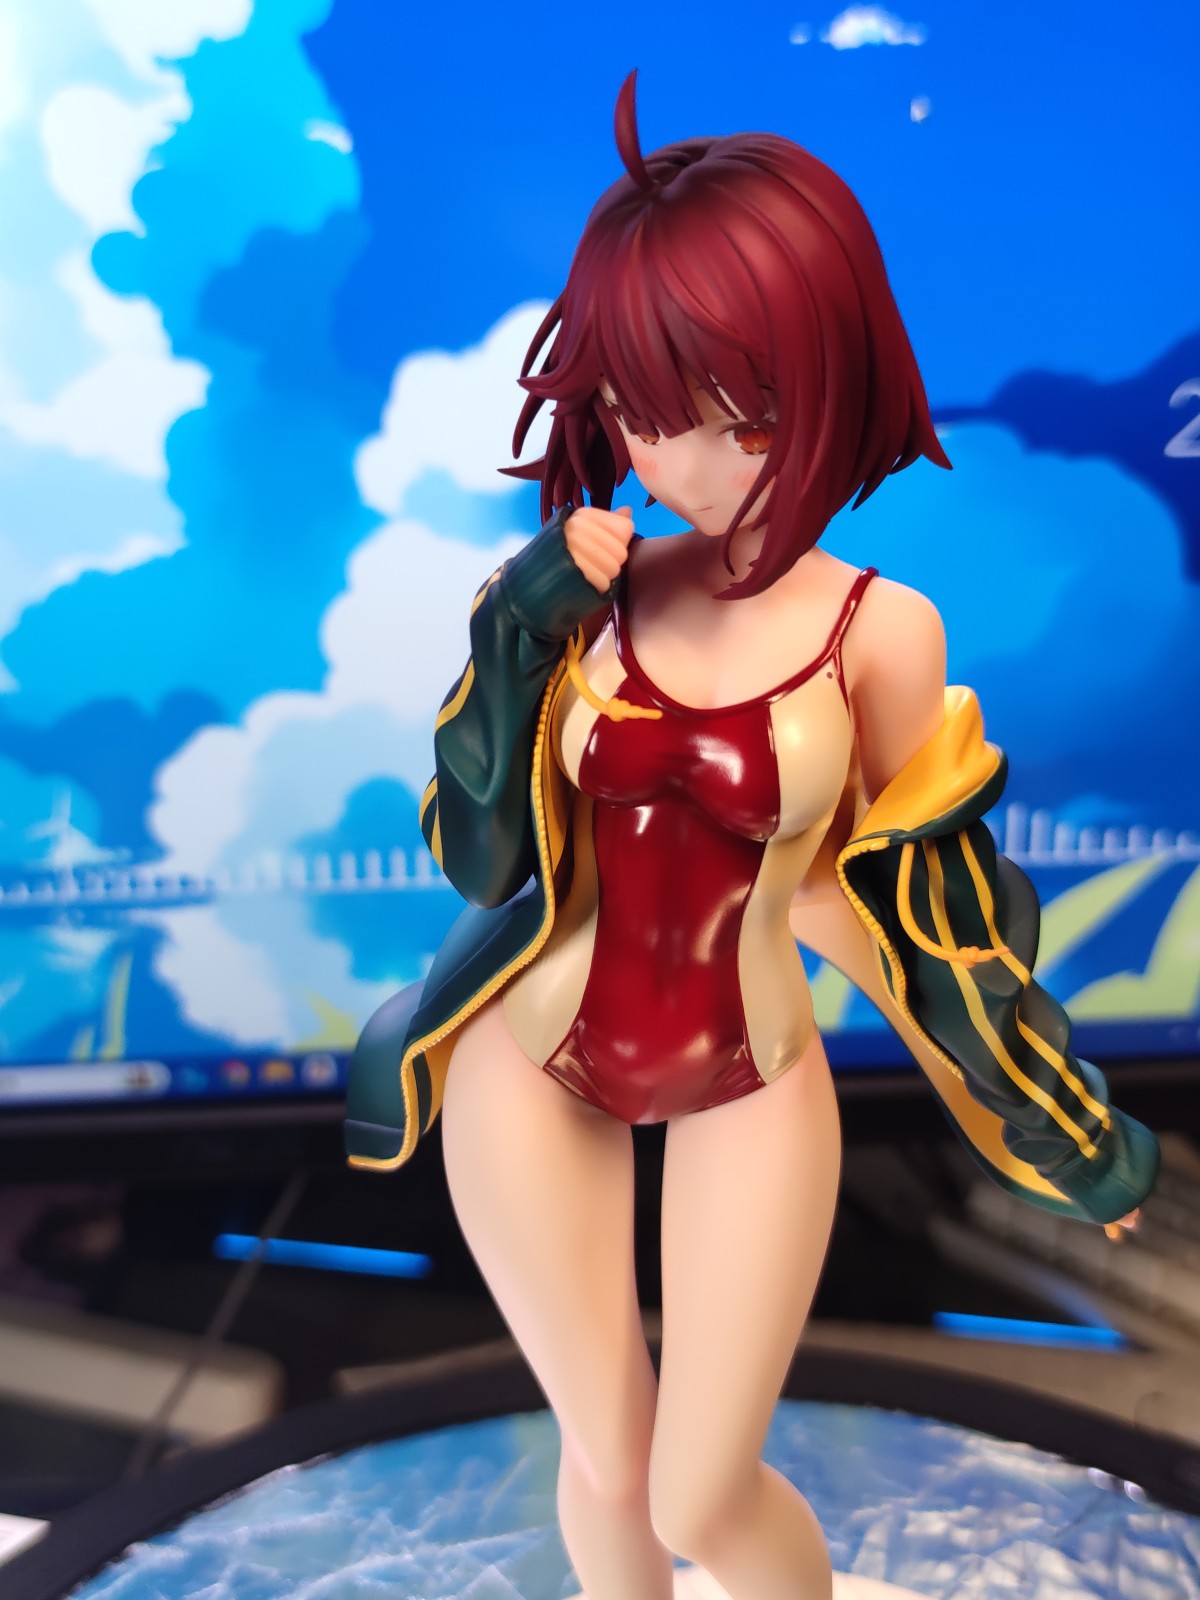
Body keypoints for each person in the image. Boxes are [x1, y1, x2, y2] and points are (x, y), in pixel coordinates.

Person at [345, 71, 1158, 1600]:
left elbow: (930, 920)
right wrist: (520, 630)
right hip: (534, 1059)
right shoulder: (575, 600)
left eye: (750, 419)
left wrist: (1062, 1129)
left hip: (749, 1070)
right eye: (651, 418)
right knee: (604, 1459)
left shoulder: (882, 634)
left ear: (835, 383)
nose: (695, 466)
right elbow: (477, 861)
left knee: (701, 1493)